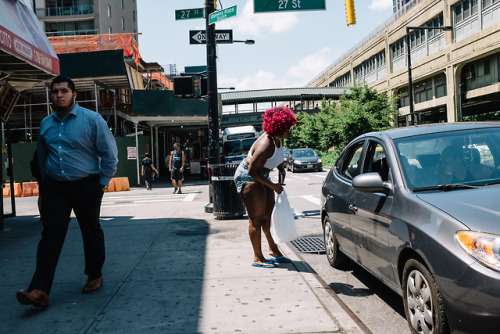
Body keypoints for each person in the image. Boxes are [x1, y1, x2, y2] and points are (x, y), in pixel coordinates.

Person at [16, 75, 118, 308]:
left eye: (64, 91)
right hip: (55, 186)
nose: (59, 95)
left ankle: (95, 274)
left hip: (86, 184)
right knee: (50, 236)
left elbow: (110, 154)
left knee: (90, 230)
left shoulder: (92, 120)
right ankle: (39, 290)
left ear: (75, 95)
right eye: (55, 91)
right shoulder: (46, 124)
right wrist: (44, 184)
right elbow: (42, 157)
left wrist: (101, 183)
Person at [233, 106, 297, 268]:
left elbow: (276, 158)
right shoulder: (265, 144)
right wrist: (274, 187)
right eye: (289, 127)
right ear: (280, 127)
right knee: (256, 219)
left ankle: (273, 250)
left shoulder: (278, 139)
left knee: (268, 217)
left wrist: (281, 169)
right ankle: (258, 258)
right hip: (249, 177)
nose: (291, 130)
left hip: (263, 176)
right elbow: (252, 171)